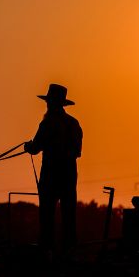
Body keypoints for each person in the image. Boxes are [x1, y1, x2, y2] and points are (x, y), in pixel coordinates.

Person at [24, 83, 83, 257]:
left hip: (50, 174)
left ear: (51, 103)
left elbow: (35, 148)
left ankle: (46, 249)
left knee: (47, 213)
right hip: (69, 175)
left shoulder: (47, 123)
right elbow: (77, 152)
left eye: (50, 102)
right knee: (68, 213)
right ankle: (69, 250)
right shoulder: (73, 124)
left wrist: (28, 147)